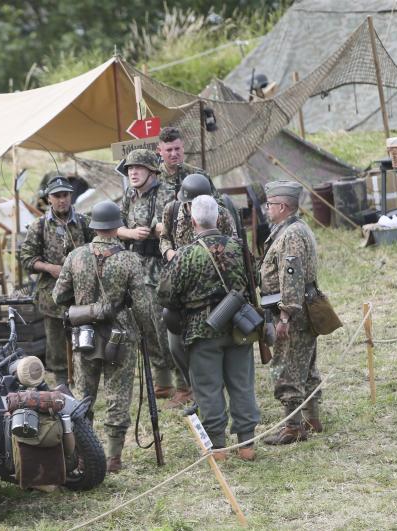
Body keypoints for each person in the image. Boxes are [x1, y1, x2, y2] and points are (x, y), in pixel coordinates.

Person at [52, 200, 156, 473]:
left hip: (84, 333)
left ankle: (83, 455)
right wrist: (147, 331)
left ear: (94, 226)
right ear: (117, 227)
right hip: (120, 335)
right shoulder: (129, 259)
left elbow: (58, 296)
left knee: (83, 396)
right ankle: (113, 458)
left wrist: (83, 303)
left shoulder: (76, 256)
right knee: (118, 395)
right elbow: (143, 305)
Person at [157, 195, 259, 460]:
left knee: (208, 388)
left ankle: (218, 448)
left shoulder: (186, 254)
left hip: (202, 330)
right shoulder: (238, 247)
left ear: (192, 220)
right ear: (218, 218)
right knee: (242, 384)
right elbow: (254, 279)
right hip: (239, 325)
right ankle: (247, 444)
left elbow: (166, 296)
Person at [117, 148, 184, 403]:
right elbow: (117, 225)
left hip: (161, 271)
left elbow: (168, 224)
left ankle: (184, 383)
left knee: (166, 327)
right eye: (130, 169)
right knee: (146, 327)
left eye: (138, 168)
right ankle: (163, 380)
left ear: (152, 171)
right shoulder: (130, 195)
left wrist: (154, 230)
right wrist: (129, 233)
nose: (133, 172)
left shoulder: (164, 192)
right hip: (138, 271)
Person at [259, 180, 322, 445]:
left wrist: (285, 315)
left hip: (292, 313)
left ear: (282, 206)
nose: (266, 209)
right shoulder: (290, 228)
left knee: (287, 368)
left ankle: (293, 427)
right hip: (299, 308)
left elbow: (291, 277)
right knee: (305, 365)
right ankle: (311, 417)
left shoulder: (291, 235)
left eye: (270, 204)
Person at [20, 176, 93, 386]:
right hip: (52, 296)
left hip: (81, 293)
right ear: (49, 198)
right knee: (56, 341)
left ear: (71, 197)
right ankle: (62, 382)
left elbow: (96, 247)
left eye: (65, 195)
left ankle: (84, 378)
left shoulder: (83, 222)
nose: (62, 200)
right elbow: (26, 258)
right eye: (57, 196)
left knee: (84, 336)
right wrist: (48, 267)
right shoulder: (39, 226)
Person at [157, 127, 211, 193]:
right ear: (160, 151)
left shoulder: (199, 176)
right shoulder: (153, 179)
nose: (174, 154)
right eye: (169, 150)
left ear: (182, 147)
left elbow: (218, 202)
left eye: (177, 149)